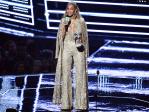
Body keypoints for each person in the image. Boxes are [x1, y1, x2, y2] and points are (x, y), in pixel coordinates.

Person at [52, 2, 89, 111]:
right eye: (67, 9)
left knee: (80, 75)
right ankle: (66, 104)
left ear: (75, 10)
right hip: (67, 47)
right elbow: (60, 38)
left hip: (78, 48)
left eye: (71, 9)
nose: (69, 11)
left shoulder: (81, 21)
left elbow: (85, 38)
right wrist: (64, 27)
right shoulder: (63, 21)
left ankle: (81, 104)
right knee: (66, 75)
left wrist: (80, 41)